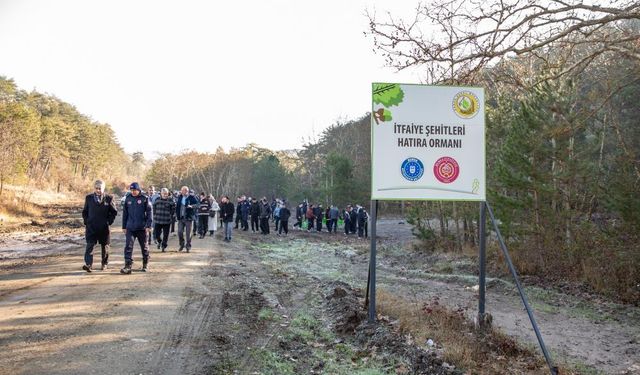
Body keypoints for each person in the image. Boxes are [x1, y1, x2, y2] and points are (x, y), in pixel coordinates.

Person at [82, 179, 117, 272]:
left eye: (100, 188)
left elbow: (114, 212)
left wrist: (109, 222)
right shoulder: (88, 198)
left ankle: (104, 264)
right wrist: (87, 221)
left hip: (104, 228)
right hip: (91, 227)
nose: (98, 190)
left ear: (103, 188)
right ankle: (88, 264)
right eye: (96, 188)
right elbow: (85, 212)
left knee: (105, 246)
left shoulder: (109, 198)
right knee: (90, 245)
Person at [121, 182, 152, 274]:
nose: (133, 192)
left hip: (142, 228)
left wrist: (148, 225)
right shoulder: (128, 198)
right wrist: (124, 226)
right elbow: (125, 213)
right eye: (131, 190)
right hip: (130, 227)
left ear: (138, 190)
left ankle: (145, 263)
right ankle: (127, 265)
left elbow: (150, 213)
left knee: (144, 247)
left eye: (134, 190)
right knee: (128, 247)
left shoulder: (144, 198)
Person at [175, 186, 198, 252]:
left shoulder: (192, 197)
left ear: (187, 191)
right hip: (181, 218)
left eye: (185, 191)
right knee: (179, 232)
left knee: (188, 233)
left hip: (189, 218)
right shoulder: (179, 197)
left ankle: (188, 246)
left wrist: (192, 206)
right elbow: (177, 207)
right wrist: (176, 215)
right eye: (182, 190)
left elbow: (198, 204)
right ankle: (182, 244)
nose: (183, 192)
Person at [153, 188, 175, 252]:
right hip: (158, 220)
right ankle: (159, 241)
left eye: (166, 193)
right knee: (157, 234)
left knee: (166, 235)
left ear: (168, 193)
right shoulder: (157, 200)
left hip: (167, 221)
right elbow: (154, 207)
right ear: (161, 194)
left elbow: (173, 210)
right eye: (163, 193)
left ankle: (163, 245)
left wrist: (171, 215)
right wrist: (154, 215)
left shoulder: (171, 200)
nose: (165, 195)